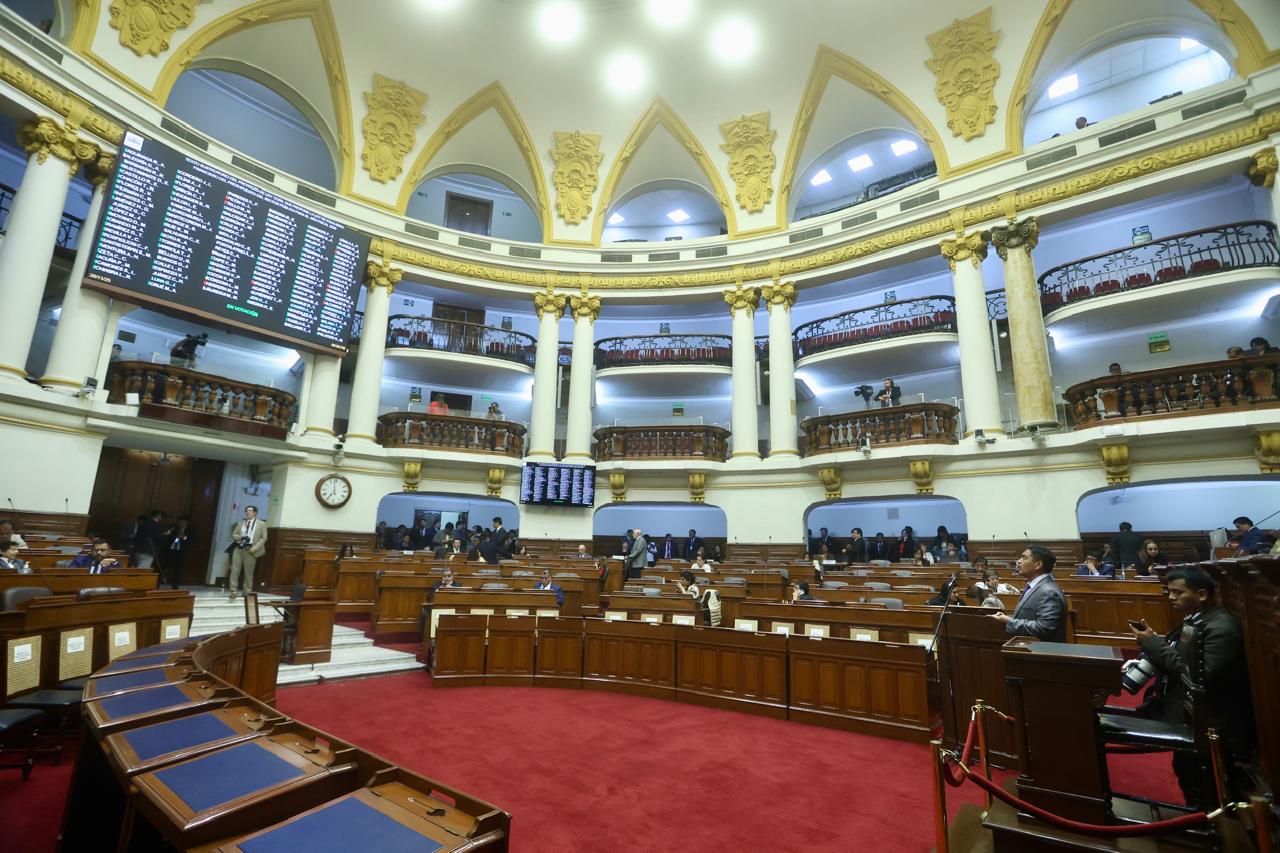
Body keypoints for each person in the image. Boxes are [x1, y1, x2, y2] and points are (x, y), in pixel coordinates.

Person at [1129, 567, 1255, 808]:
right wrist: (1154, 642)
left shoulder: (1223, 628)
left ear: (1202, 594)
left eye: (1178, 592)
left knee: (1203, 785)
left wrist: (1153, 644)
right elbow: (1180, 658)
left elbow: (1197, 674)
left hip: (1214, 725)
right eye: (1169, 591)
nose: (1171, 597)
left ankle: (1206, 821)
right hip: (1191, 717)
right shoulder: (1197, 619)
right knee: (1188, 774)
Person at [990, 546, 1067, 642]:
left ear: (1038, 564)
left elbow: (1044, 627)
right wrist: (1008, 618)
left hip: (1041, 649)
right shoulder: (1035, 586)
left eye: (1024, 558)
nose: (1018, 561)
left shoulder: (1048, 591)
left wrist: (1008, 621)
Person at [228, 505, 267, 599]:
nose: (247, 512)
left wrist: (255, 548)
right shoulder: (241, 523)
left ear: (255, 513)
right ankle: (233, 590)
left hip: (251, 550)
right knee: (235, 570)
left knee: (248, 572)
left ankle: (247, 591)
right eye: (246, 510)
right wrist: (240, 537)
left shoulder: (261, 524)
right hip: (239, 548)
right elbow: (234, 534)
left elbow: (264, 538)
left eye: (250, 510)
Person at [161, 517, 191, 589]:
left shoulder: (189, 530)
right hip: (170, 550)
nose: (182, 524)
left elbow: (191, 540)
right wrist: (170, 531)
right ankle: (158, 582)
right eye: (181, 522)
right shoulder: (174, 527)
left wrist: (184, 538)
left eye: (184, 522)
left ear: (187, 523)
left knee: (177, 569)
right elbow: (167, 534)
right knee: (163, 566)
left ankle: (175, 585)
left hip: (180, 552)